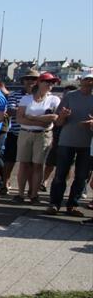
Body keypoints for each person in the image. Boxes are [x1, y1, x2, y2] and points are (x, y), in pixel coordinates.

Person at [47, 72, 93, 217]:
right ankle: (54, 204)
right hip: (66, 141)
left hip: (87, 143)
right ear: (80, 80)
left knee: (81, 176)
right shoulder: (70, 96)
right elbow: (58, 122)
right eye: (86, 79)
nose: (89, 82)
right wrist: (63, 116)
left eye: (91, 80)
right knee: (60, 174)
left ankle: (72, 205)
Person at [13, 72, 62, 204]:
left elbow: (55, 118)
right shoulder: (27, 99)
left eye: (52, 83)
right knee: (23, 164)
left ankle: (34, 194)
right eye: (48, 82)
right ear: (40, 83)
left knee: (38, 165)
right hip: (26, 133)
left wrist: (32, 118)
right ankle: (20, 193)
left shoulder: (54, 100)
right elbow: (19, 118)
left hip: (43, 135)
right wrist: (41, 121)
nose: (51, 85)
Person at [2, 69, 39, 196]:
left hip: (33, 133)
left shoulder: (40, 96)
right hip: (16, 132)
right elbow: (11, 111)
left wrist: (23, 113)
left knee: (30, 163)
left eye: (33, 79)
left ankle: (31, 189)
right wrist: (33, 114)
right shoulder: (14, 94)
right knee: (9, 160)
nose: (30, 82)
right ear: (23, 81)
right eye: (28, 79)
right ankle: (5, 183)